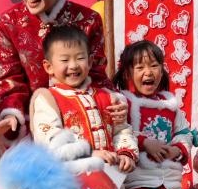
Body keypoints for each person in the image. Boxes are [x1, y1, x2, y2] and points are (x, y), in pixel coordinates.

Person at [0, 0, 124, 147]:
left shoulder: (87, 20)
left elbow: (97, 75)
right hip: (32, 134)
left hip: (84, 132)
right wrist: (11, 115)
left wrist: (114, 102)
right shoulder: (8, 23)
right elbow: (7, 81)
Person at [29, 25, 136, 172]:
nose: (73, 66)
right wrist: (89, 154)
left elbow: (121, 131)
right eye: (65, 60)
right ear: (49, 67)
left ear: (90, 61)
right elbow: (50, 144)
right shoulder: (48, 99)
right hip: (71, 183)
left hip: (112, 180)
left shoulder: (107, 97)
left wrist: (125, 154)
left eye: (80, 58)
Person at [115, 39, 195, 189]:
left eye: (154, 65)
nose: (148, 72)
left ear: (161, 70)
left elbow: (184, 133)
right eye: (140, 67)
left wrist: (177, 150)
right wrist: (144, 143)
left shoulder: (170, 103)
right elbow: (118, 131)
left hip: (171, 186)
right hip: (140, 186)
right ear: (127, 73)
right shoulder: (123, 102)